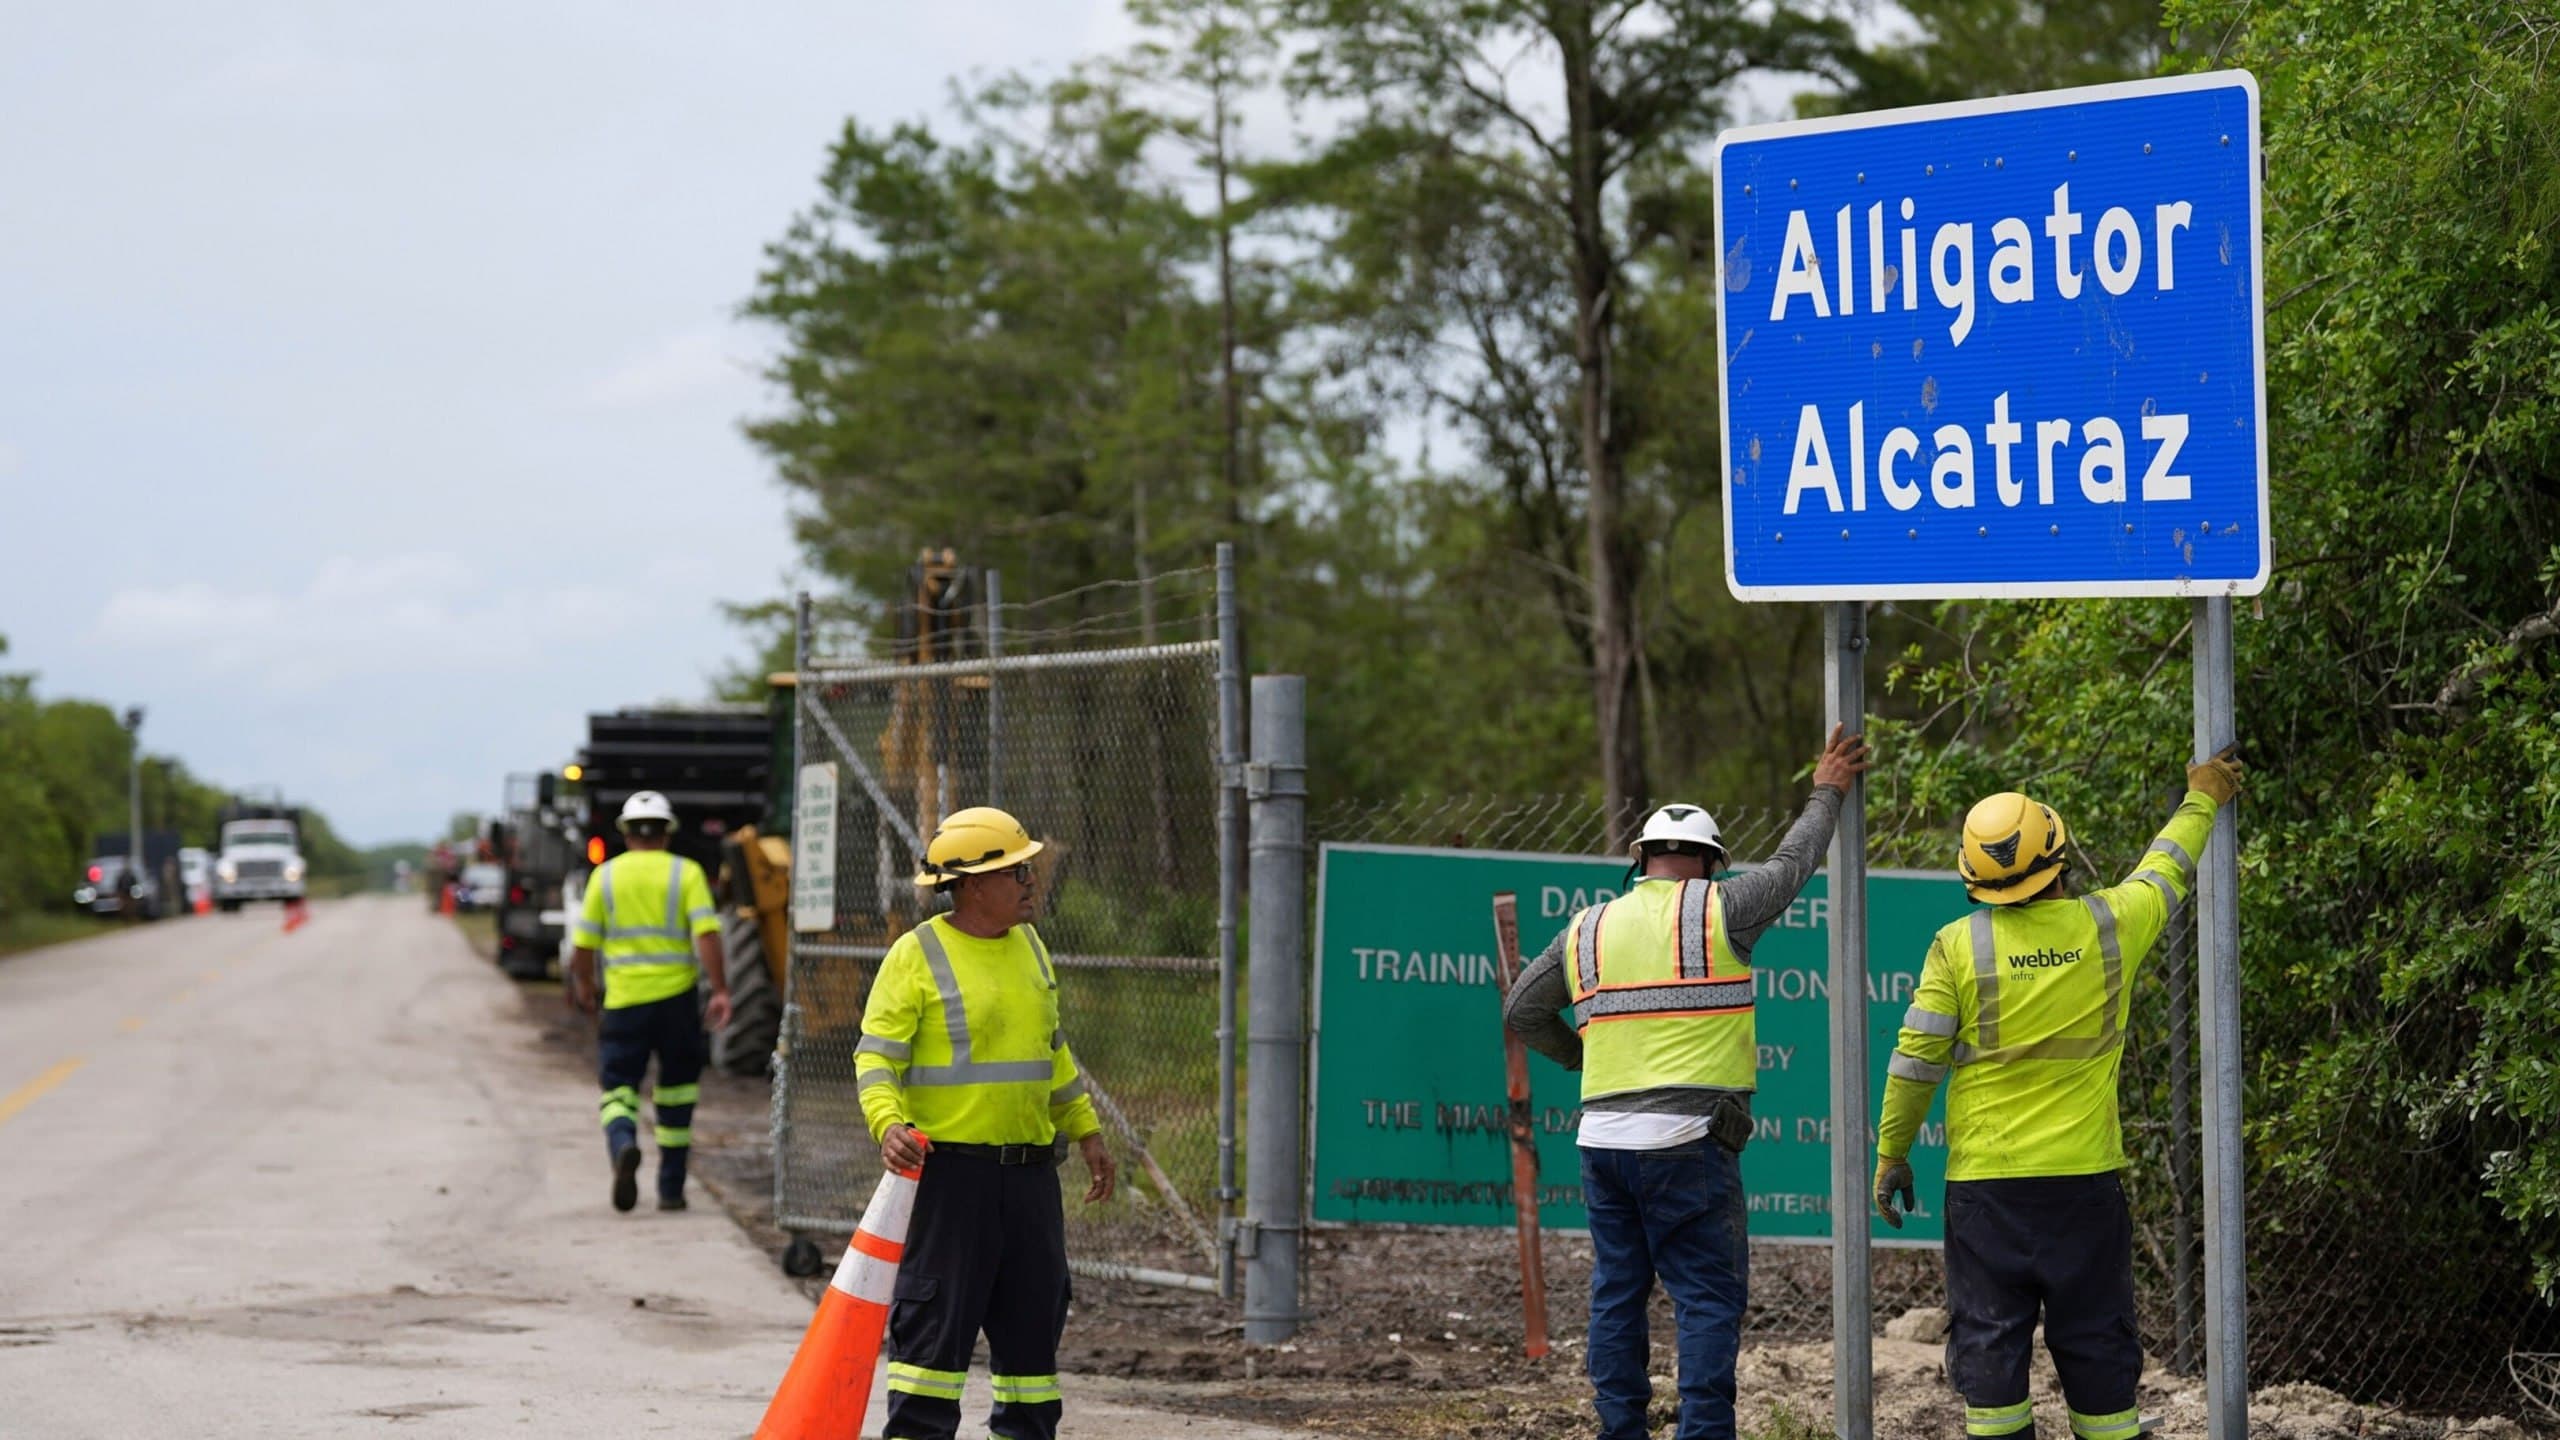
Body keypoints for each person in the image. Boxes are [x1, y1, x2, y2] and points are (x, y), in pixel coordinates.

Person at [1503, 726, 1874, 1440]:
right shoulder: (1720, 908)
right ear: (1709, 863)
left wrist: (1583, 1057)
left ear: (1639, 860)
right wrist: (1827, 787)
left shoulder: (1585, 928)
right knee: (1705, 1298)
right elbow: (1797, 862)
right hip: (1687, 1143)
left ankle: (1621, 1430)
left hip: (1603, 1140)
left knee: (1618, 1293)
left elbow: (1523, 1009)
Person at [1871, 748, 2245, 1440]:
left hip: (1987, 1189)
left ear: (1972, 877)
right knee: (2098, 1346)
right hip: (2084, 1185)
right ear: (2058, 854)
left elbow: (1915, 1061)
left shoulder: (1955, 947)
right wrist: (2204, 796)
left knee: (1988, 1352)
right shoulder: (2110, 924)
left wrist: (1893, 1153)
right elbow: (2167, 867)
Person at [855, 806, 1118, 1440]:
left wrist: (1086, 1131)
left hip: (1029, 1178)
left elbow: (1049, 1052)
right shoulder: (914, 956)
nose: (1031, 882)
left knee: (1032, 1340)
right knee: (932, 1345)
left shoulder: (1029, 946)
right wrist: (886, 1123)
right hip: (950, 1179)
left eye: (1029, 870)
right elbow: (876, 1057)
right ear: (973, 885)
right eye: (1017, 873)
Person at [566, 790, 733, 1213]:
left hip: (624, 1002)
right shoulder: (687, 873)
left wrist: (585, 987)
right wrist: (719, 989)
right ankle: (672, 1189)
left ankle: (623, 1142)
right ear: (667, 833)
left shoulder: (604, 876)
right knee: (677, 1093)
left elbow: (583, 944)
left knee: (617, 1087)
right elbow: (707, 935)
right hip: (676, 1002)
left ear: (625, 833)